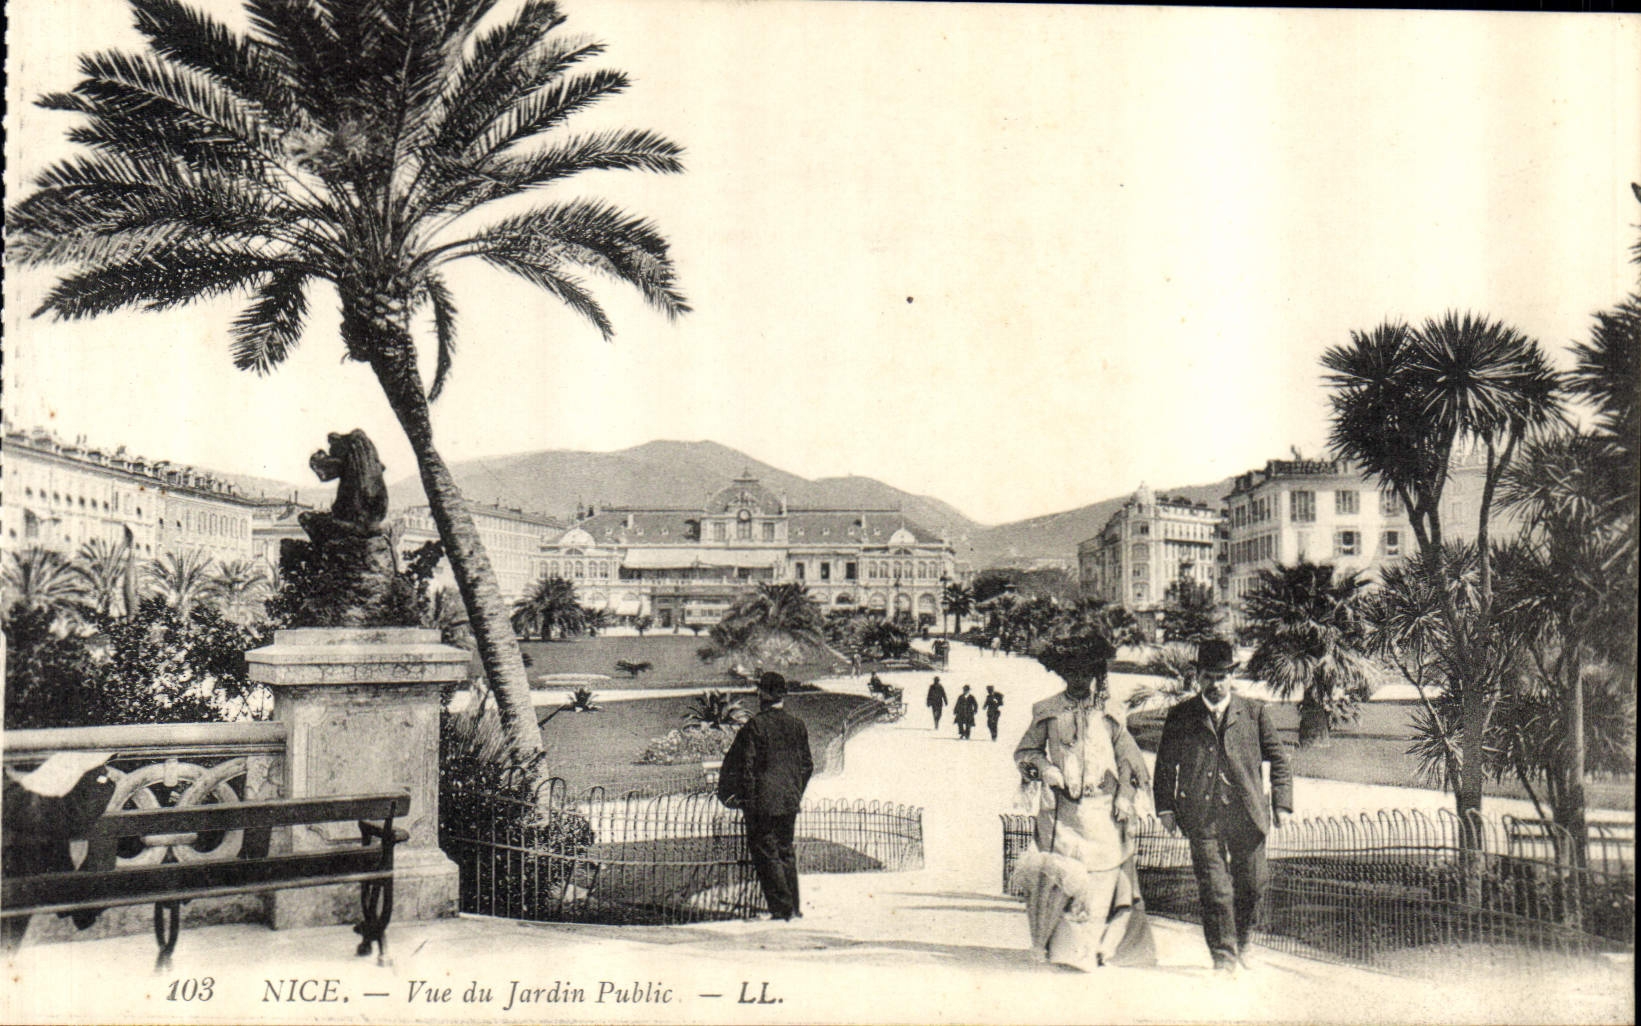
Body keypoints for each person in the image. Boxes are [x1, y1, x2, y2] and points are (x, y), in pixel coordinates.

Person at [1013, 622, 1155, 970]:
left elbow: (1129, 761)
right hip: (1063, 813)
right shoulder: (1046, 710)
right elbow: (1025, 752)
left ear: (1095, 674)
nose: (1078, 680)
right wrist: (1045, 768)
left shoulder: (1110, 712)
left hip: (1104, 812)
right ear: (1063, 673)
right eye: (1071, 673)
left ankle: (1097, 949)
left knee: (1104, 878)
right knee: (1066, 879)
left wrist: (1124, 795)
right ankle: (1063, 949)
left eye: (1085, 673)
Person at [1153, 639, 1293, 974]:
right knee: (1215, 890)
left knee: (1252, 885)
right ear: (1197, 678)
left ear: (1232, 676)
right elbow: (1164, 766)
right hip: (1202, 817)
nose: (1215, 685)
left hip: (1247, 814)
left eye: (1221, 677)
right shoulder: (1182, 715)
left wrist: (1282, 803)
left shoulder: (1254, 713)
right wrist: (1166, 808)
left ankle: (1241, 943)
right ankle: (1224, 958)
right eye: (1208, 677)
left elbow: (1280, 760)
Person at [717, 672, 815, 921]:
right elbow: (807, 765)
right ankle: (793, 907)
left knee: (767, 853)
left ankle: (782, 911)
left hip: (762, 804)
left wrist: (747, 800)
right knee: (785, 852)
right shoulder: (797, 725)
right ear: (783, 695)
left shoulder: (754, 727)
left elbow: (743, 768)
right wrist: (794, 791)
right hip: (789, 801)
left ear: (762, 694)